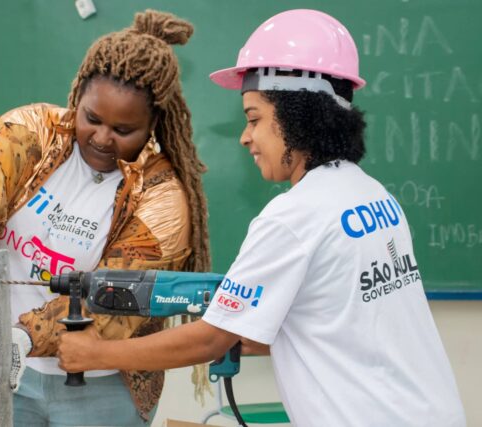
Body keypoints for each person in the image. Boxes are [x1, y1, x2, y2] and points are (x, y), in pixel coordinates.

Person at [56, 9, 467, 427]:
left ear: (297, 115)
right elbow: (340, 323)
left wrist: (94, 353)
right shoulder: (372, 195)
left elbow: (212, 338)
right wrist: (244, 322)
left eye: (254, 118)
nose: (245, 136)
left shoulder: (294, 216)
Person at [0, 9, 211, 427]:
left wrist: (24, 335)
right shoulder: (36, 130)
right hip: (10, 376)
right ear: (77, 98)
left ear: (153, 126)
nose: (101, 137)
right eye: (91, 118)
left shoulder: (163, 198)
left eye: (123, 129)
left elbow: (118, 300)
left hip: (103, 389)